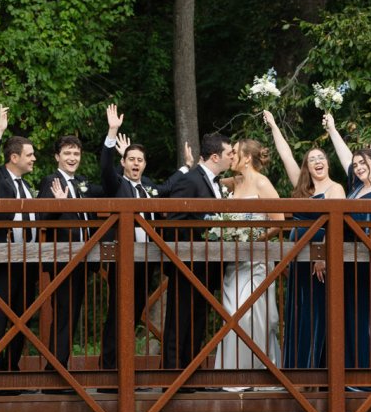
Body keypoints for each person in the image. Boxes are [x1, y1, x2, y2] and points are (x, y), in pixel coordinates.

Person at [264, 110, 346, 369]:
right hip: (298, 264)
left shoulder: (336, 189)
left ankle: (317, 372)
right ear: (307, 167)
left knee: (319, 316)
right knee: (298, 314)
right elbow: (286, 154)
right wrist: (275, 125)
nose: (318, 161)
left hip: (321, 265)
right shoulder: (303, 190)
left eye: (321, 157)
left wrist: (322, 256)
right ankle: (297, 371)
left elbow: (336, 227)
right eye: (312, 159)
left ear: (328, 163)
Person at [98, 104, 170, 373]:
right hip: (124, 258)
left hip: (147, 259)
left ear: (144, 164)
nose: (136, 163)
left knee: (135, 312)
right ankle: (109, 366)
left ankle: (124, 362)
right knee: (118, 312)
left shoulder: (149, 187)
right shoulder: (118, 184)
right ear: (124, 163)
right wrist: (112, 132)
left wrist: (189, 168)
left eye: (140, 160)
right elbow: (104, 167)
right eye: (131, 159)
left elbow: (170, 188)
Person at [158, 134, 238, 372]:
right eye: (229, 154)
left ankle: (190, 373)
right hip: (188, 264)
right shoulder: (191, 180)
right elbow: (174, 222)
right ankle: (172, 376)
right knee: (179, 320)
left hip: (207, 266)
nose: (232, 157)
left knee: (197, 320)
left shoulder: (215, 183)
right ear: (215, 157)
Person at [325, 115, 371, 369]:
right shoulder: (357, 189)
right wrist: (333, 129)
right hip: (346, 262)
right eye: (355, 165)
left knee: (363, 318)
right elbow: (346, 157)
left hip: (367, 264)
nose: (357, 167)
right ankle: (345, 372)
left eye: (363, 163)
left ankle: (364, 374)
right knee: (344, 318)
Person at [213, 137, 283, 383]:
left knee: (249, 314)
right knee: (231, 314)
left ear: (247, 158)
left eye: (235, 153)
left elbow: (279, 221)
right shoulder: (234, 182)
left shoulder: (262, 183)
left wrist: (255, 238)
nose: (231, 156)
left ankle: (259, 375)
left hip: (256, 262)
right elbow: (210, 181)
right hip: (234, 263)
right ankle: (232, 376)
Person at [0, 106, 41, 381]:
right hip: (1, 259)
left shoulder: (28, 187)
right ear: (14, 157)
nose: (34, 159)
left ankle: (11, 368)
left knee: (23, 316)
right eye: (29, 155)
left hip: (27, 261)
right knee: (1, 316)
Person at [37, 134, 102, 369]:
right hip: (62, 259)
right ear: (57, 156)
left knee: (72, 314)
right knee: (64, 313)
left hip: (85, 259)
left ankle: (58, 365)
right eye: (67, 153)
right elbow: (42, 218)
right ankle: (54, 369)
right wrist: (59, 205)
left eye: (76, 154)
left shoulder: (82, 182)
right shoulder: (50, 181)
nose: (72, 158)